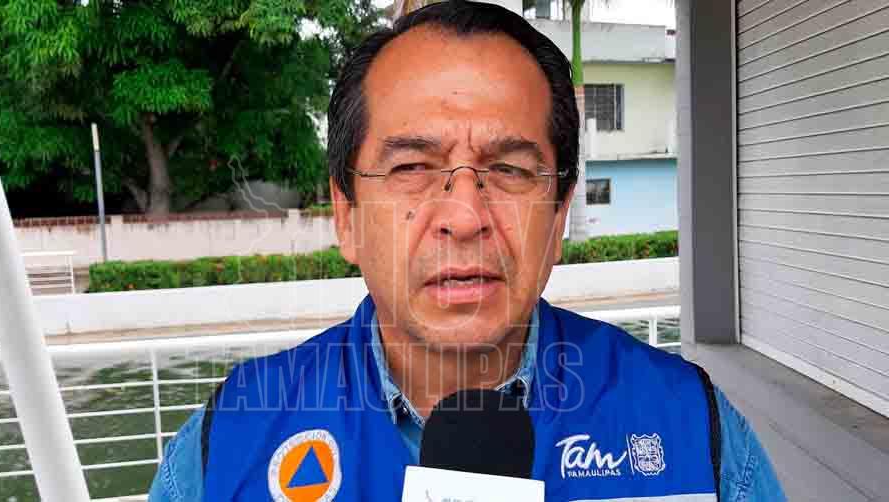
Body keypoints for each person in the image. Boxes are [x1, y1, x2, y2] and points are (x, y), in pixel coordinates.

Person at [149, 1, 786, 500]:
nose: (463, 217)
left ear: (558, 215)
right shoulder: (224, 449)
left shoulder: (692, 432)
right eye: (411, 168)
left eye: (509, 170)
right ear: (347, 215)